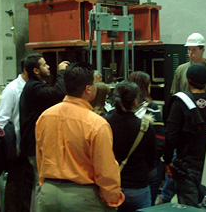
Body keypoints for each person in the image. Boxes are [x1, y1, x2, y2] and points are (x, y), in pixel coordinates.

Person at [35, 62, 125, 211]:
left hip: (48, 195)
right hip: (83, 197)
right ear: (88, 89)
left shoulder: (45, 117)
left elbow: (40, 156)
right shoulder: (96, 123)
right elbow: (105, 169)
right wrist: (113, 199)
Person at [164, 64, 206, 207]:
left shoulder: (179, 102)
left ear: (187, 80)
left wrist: (168, 160)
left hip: (186, 166)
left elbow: (171, 134)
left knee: (188, 208)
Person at [19, 54, 69, 211]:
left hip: (36, 145)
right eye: (44, 65)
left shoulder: (37, 85)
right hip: (34, 146)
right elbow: (57, 93)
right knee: (40, 183)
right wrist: (61, 72)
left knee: (39, 182)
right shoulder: (34, 87)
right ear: (36, 70)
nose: (48, 67)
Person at [106, 81, 156, 211]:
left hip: (111, 185)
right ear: (135, 100)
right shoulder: (145, 126)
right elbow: (152, 159)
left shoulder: (104, 123)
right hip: (137, 185)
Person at [0, 56, 33, 212]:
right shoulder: (12, 89)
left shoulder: (34, 87)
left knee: (27, 188)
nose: (47, 68)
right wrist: (11, 147)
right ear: (28, 69)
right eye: (43, 65)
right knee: (15, 186)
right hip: (16, 148)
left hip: (29, 146)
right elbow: (2, 120)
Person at [128, 71, 165, 206]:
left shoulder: (116, 109)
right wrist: (152, 163)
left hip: (124, 169)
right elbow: (160, 139)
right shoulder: (152, 108)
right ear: (145, 86)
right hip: (148, 169)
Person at [171, 33, 206, 105]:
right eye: (189, 49)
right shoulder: (180, 70)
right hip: (187, 114)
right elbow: (175, 94)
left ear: (202, 50)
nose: (190, 53)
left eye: (194, 49)